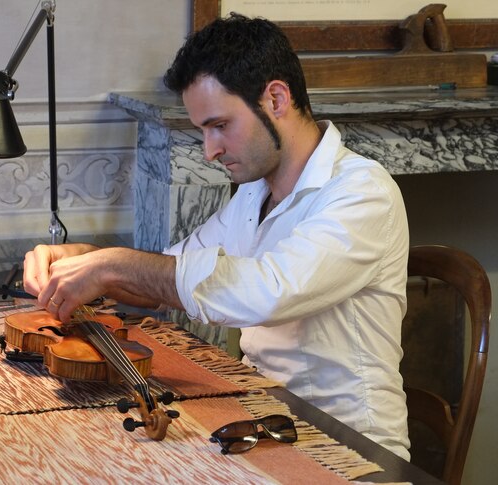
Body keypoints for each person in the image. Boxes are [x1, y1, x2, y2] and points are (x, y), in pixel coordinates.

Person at [23, 13, 411, 459]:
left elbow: (264, 293)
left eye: (220, 125)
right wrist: (86, 261)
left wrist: (111, 265)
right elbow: (172, 274)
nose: (211, 151)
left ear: (277, 98)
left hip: (350, 446)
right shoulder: (253, 194)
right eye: (203, 131)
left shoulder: (363, 193)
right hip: (266, 418)